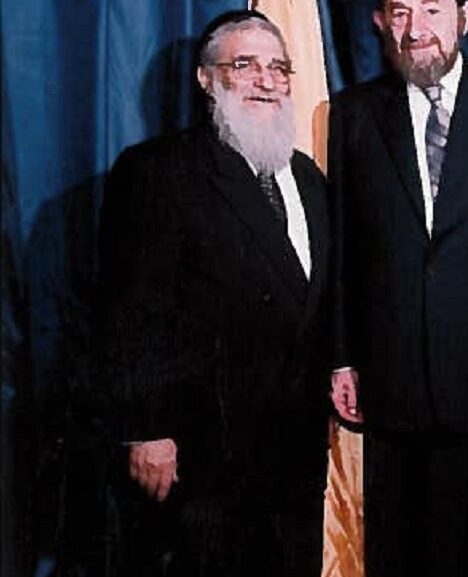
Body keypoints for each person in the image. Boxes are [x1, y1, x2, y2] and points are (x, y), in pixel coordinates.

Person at [97, 10, 332, 576]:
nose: (266, 80)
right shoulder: (159, 170)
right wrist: (147, 429)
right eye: (245, 65)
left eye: (278, 68)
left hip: (295, 449)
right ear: (206, 78)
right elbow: (134, 311)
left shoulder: (306, 178)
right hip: (202, 454)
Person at [325, 0, 468, 575]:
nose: (416, 29)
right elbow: (344, 246)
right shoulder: (353, 112)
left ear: (464, 15)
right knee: (397, 551)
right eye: (402, 11)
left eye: (432, 9)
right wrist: (343, 356)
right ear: (382, 21)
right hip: (390, 380)